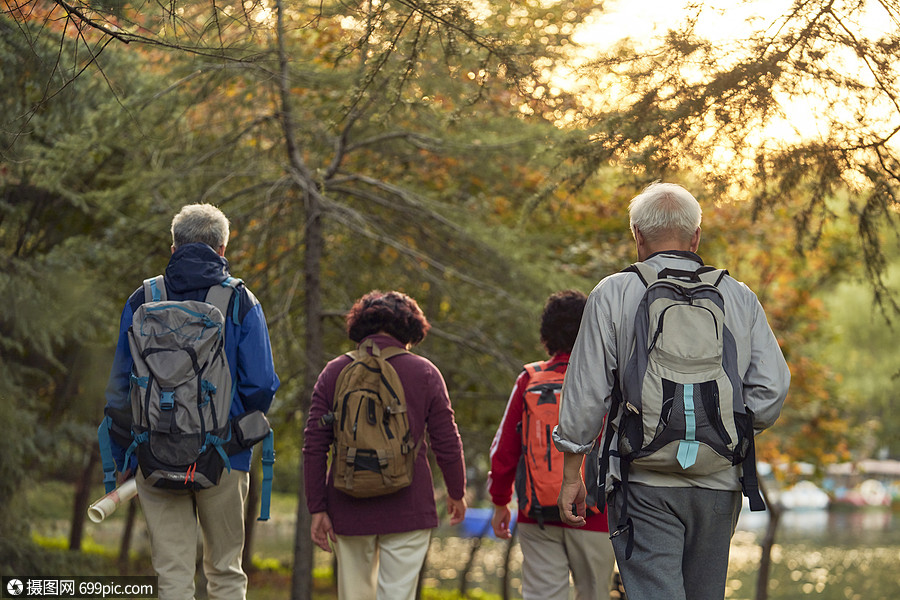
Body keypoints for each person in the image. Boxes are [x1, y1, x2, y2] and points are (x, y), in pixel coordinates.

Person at [554, 182, 790, 600]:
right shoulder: (738, 296)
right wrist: (725, 434)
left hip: (642, 479)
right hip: (719, 484)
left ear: (637, 235)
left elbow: (585, 393)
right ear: (696, 236)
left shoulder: (613, 293)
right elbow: (771, 388)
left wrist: (573, 473)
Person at [103, 203, 280, 599]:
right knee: (225, 573)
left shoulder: (142, 299)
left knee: (172, 574)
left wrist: (122, 457)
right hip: (224, 456)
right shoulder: (240, 301)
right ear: (222, 249)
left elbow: (118, 388)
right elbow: (263, 384)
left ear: (173, 248)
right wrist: (232, 434)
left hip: (153, 453)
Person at [303, 290, 467, 600]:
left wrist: (318, 507)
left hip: (347, 503)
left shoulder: (334, 371)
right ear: (411, 330)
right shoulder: (425, 372)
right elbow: (446, 441)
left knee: (355, 595)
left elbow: (314, 445)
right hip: (409, 503)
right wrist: (456, 492)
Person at [488, 290, 616, 600]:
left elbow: (504, 451)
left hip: (538, 514)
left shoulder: (530, 379)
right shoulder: (609, 380)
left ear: (547, 334)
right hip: (596, 515)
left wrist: (500, 501)